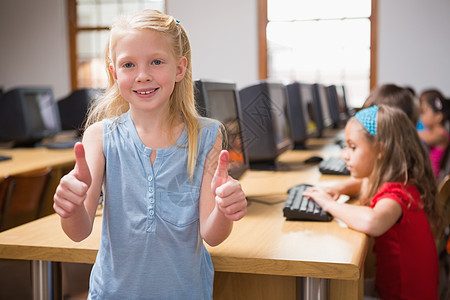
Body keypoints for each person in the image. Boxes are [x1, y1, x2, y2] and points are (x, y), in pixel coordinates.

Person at [53, 10, 247, 299]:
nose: (142, 75)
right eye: (128, 64)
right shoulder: (100, 137)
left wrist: (224, 210)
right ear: (114, 73)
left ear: (180, 69)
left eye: (156, 62)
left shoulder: (208, 136)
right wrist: (71, 208)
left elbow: (213, 235)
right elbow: (79, 231)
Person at [303, 105, 445, 299]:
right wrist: (338, 188)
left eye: (353, 147)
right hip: (392, 289)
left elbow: (373, 222)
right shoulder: (403, 182)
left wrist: (328, 204)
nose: (344, 155)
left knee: (331, 290)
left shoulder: (398, 195)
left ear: (380, 149)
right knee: (338, 288)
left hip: (399, 295)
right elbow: (362, 183)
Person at [325, 83, 420, 200]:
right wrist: (337, 188)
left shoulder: (405, 177)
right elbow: (365, 183)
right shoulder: (406, 161)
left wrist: (329, 203)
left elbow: (373, 218)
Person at [418, 89, 450, 180]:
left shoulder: (441, 135)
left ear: (438, 116)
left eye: (423, 112)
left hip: (432, 179)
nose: (421, 117)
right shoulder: (430, 132)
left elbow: (416, 135)